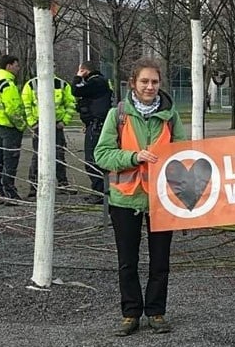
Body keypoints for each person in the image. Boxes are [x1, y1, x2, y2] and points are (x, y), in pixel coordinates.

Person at [94, 57, 186, 336]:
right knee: (127, 261)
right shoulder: (118, 115)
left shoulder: (171, 116)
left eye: (154, 81)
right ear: (132, 83)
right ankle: (130, 313)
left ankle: (156, 312)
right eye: (144, 81)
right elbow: (101, 154)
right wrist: (134, 157)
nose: (149, 86)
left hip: (162, 200)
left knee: (160, 262)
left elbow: (183, 154)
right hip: (125, 199)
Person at [22, 74, 78, 198]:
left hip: (56, 125)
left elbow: (71, 103)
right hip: (40, 125)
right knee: (38, 156)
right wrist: (33, 123)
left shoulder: (62, 84)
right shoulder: (32, 85)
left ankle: (62, 183)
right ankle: (34, 185)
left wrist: (64, 121)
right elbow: (26, 106)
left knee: (59, 155)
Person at [0, 55, 26, 205]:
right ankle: (10, 193)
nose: (18, 68)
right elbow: (13, 108)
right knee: (10, 160)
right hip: (10, 126)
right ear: (9, 66)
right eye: (16, 65)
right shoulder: (8, 84)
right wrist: (22, 125)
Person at [72, 61, 113, 204]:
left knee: (92, 160)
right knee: (96, 159)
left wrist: (78, 77)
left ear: (85, 71)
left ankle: (99, 192)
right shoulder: (101, 82)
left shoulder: (95, 82)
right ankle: (102, 190)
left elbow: (76, 90)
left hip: (96, 127)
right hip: (96, 125)